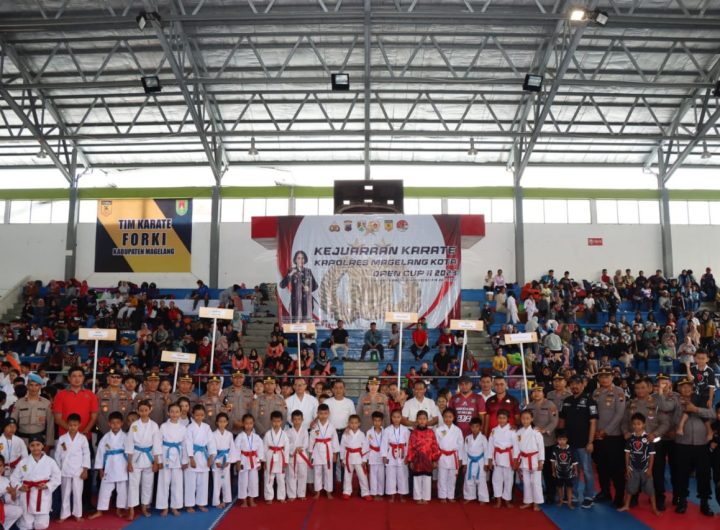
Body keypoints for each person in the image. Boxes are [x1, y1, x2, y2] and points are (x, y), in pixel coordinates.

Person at [674, 377, 715, 516]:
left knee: (704, 475)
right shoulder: (675, 401)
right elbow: (673, 421)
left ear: (692, 388)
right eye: (683, 386)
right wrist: (683, 408)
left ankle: (704, 503)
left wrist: (695, 409)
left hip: (701, 444)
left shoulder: (702, 400)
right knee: (681, 474)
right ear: (679, 389)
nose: (686, 389)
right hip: (682, 444)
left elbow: (712, 414)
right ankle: (682, 501)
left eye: (688, 386)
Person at [558, 375, 598, 509]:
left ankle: (589, 496)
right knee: (572, 470)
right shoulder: (566, 401)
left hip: (584, 443)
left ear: (583, 385)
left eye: (577, 384)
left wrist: (590, 442)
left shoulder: (590, 401)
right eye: (572, 384)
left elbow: (593, 423)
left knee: (587, 471)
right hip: (569, 443)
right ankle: (573, 495)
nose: (574, 386)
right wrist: (561, 440)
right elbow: (562, 421)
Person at [591, 366, 627, 507]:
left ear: (612, 377)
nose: (604, 379)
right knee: (601, 467)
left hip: (613, 436)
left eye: (607, 376)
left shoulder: (619, 392)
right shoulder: (596, 392)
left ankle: (619, 496)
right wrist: (594, 431)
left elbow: (619, 414)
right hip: (598, 436)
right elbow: (593, 413)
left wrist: (606, 430)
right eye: (601, 376)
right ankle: (605, 492)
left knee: (616, 468)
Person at [10, 435, 61, 530]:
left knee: (41, 525)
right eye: (32, 445)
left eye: (38, 444)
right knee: (26, 525)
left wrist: (47, 485)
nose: (35, 447)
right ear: (29, 447)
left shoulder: (50, 461)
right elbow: (14, 478)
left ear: (42, 446)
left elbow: (57, 478)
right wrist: (20, 487)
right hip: (27, 494)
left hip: (42, 495)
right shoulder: (23, 462)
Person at [617, 412, 659, 515]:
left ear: (644, 424)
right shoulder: (631, 438)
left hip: (645, 469)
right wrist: (627, 468)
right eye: (634, 424)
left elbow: (652, 455)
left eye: (639, 424)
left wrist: (650, 469)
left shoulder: (648, 438)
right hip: (633, 468)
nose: (636, 426)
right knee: (630, 488)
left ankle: (654, 508)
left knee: (650, 489)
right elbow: (627, 454)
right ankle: (626, 505)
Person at [125, 400, 161, 520]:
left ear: (150, 410)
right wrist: (129, 462)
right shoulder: (134, 425)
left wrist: (156, 462)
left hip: (149, 458)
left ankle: (144, 507)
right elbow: (130, 444)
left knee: (148, 484)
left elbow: (156, 445)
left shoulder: (154, 425)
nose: (144, 412)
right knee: (133, 484)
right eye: (141, 410)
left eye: (146, 410)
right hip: (136, 457)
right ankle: (131, 509)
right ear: (138, 411)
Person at [89, 411, 128, 519]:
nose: (115, 425)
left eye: (118, 423)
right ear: (109, 424)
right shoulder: (105, 438)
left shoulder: (125, 436)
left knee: (122, 489)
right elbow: (100, 454)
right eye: (113, 423)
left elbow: (129, 452)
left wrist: (129, 465)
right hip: (109, 466)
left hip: (122, 465)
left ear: (122, 423)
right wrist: (100, 469)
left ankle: (119, 509)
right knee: (104, 489)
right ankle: (100, 510)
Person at [524, 384, 558, 503]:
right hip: (533, 444)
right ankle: (539, 491)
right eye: (534, 391)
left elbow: (554, 421)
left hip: (547, 442)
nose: (536, 393)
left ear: (543, 393)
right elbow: (526, 421)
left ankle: (551, 493)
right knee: (536, 469)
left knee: (548, 469)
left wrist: (545, 430)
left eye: (539, 391)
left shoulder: (550, 405)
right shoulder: (529, 406)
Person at [55, 413, 91, 522]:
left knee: (77, 493)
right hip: (65, 469)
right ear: (67, 424)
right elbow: (57, 454)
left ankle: (77, 514)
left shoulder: (82, 438)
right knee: (65, 493)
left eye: (75, 425)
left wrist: (85, 470)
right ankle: (64, 515)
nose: (72, 427)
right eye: (70, 425)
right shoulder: (62, 438)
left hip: (78, 470)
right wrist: (58, 469)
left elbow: (86, 454)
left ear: (79, 425)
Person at [184, 404, 216, 512]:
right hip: (193, 455)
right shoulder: (189, 427)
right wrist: (191, 458)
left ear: (204, 415)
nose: (199, 417)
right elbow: (188, 443)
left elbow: (211, 442)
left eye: (201, 415)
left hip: (204, 456)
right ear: (193, 415)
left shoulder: (206, 427)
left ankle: (201, 503)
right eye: (197, 415)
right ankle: (189, 504)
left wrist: (211, 456)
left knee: (203, 483)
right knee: (191, 483)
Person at [157, 402, 186, 517]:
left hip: (178, 456)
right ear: (168, 413)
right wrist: (159, 460)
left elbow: (185, 445)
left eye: (177, 412)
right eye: (172, 412)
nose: (174, 414)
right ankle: (164, 507)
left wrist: (184, 460)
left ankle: (175, 506)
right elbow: (158, 443)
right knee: (164, 482)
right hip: (166, 455)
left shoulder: (183, 427)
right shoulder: (163, 426)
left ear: (180, 413)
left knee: (177, 483)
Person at [11, 373, 54, 448]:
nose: (33, 388)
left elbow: (50, 425)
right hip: (22, 441)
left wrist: (48, 444)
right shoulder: (19, 403)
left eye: (36, 385)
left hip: (39, 441)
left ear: (40, 386)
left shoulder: (46, 403)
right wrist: (11, 440)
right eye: (31, 385)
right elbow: (12, 422)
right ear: (27, 386)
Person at [406, 410, 439, 504]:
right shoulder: (413, 433)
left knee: (427, 479)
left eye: (424, 419)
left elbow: (434, 446)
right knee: (417, 479)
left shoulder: (431, 432)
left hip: (428, 459)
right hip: (417, 460)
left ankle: (426, 497)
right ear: (417, 420)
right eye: (420, 419)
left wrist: (434, 459)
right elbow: (410, 447)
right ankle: (418, 497)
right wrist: (410, 460)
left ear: (427, 420)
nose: (422, 421)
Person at [515, 409, 545, 511]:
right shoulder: (519, 432)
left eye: (527, 418)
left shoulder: (536, 432)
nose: (525, 420)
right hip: (524, 459)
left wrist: (541, 461)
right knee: (526, 482)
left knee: (536, 482)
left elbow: (541, 447)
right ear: (520, 419)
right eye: (523, 418)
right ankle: (528, 501)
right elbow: (517, 448)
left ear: (532, 419)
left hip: (534, 460)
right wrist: (517, 460)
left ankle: (536, 503)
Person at [487, 409, 516, 508]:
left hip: (509, 458)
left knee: (509, 480)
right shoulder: (494, 430)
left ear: (508, 419)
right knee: (496, 480)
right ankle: (498, 500)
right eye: (500, 418)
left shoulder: (512, 431)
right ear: (497, 418)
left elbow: (516, 446)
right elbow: (490, 446)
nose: (502, 420)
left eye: (504, 418)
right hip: (497, 458)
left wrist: (515, 460)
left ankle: (507, 500)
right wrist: (490, 460)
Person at [309, 403, 339, 499]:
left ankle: (328, 491)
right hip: (317, 450)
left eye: (325, 413)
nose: (323, 415)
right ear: (317, 413)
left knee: (328, 472)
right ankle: (317, 491)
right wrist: (310, 452)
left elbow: (335, 440)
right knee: (317, 471)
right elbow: (311, 440)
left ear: (328, 413)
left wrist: (335, 453)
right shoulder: (314, 426)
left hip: (328, 449)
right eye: (321, 413)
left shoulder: (331, 426)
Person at [235, 413, 264, 508]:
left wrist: (259, 461)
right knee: (243, 481)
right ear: (243, 424)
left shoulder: (256, 437)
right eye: (246, 423)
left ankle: (251, 499)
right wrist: (238, 462)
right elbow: (236, 450)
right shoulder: (240, 436)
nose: (248, 425)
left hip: (254, 460)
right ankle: (244, 500)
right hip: (243, 460)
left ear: (253, 423)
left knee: (253, 481)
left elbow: (260, 449)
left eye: (250, 423)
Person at [279, 250, 317, 321]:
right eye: (299, 258)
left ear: (305, 260)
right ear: (295, 260)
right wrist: (290, 275)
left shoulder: (308, 271)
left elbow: (315, 286)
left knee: (306, 321)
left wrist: (309, 288)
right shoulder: (291, 271)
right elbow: (282, 285)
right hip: (295, 301)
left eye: (302, 258)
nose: (301, 260)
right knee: (295, 321)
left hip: (306, 301)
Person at [435, 408, 463, 502]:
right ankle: (442, 496)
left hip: (453, 456)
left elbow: (461, 445)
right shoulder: (438, 430)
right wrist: (436, 457)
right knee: (442, 477)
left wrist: (460, 458)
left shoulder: (457, 430)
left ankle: (450, 496)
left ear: (453, 418)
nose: (447, 419)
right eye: (446, 417)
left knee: (452, 477)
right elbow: (436, 445)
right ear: (443, 418)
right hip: (442, 455)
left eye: (450, 417)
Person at [340, 414, 371, 500]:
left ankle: (365, 492)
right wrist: (342, 459)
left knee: (362, 476)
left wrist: (364, 459)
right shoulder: (345, 434)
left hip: (359, 457)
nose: (354, 425)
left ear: (359, 424)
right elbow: (342, 447)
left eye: (356, 423)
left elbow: (365, 447)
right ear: (349, 423)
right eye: (352, 423)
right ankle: (347, 491)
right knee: (347, 475)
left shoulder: (362, 434)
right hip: (348, 457)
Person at [382, 408, 410, 502]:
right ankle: (392, 494)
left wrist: (407, 456)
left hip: (402, 453)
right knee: (390, 475)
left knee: (402, 474)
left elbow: (408, 444)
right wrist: (384, 456)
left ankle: (402, 494)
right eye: (394, 417)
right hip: (391, 453)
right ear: (391, 417)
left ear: (401, 418)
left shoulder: (406, 430)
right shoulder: (387, 430)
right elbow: (384, 443)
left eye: (398, 417)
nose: (396, 419)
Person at [263, 410, 289, 504]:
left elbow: (287, 448)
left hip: (280, 457)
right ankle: (269, 497)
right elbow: (264, 448)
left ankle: (281, 497)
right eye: (274, 421)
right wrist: (264, 461)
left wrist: (286, 461)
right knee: (269, 477)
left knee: (281, 478)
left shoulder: (284, 434)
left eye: (278, 421)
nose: (276, 423)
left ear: (281, 422)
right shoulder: (267, 434)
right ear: (271, 421)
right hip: (270, 456)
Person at [462, 417, 488, 504]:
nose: (475, 429)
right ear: (470, 427)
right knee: (468, 479)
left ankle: (482, 498)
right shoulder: (467, 438)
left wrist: (486, 463)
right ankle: (469, 496)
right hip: (470, 461)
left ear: (480, 427)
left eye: (477, 426)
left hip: (480, 461)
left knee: (481, 480)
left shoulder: (483, 438)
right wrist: (465, 464)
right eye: (473, 427)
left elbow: (486, 451)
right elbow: (465, 451)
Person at [212, 412, 236, 508]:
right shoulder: (213, 434)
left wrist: (228, 460)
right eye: (220, 421)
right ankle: (217, 501)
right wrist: (216, 461)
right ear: (216, 422)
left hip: (226, 459)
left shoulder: (229, 434)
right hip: (217, 459)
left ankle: (226, 499)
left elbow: (232, 448)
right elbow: (212, 449)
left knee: (226, 481)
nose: (222, 423)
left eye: (224, 421)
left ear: (227, 422)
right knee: (217, 481)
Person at [285, 410, 310, 501]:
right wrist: (294, 449)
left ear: (302, 419)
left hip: (302, 456)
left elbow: (306, 443)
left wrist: (300, 448)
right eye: (295, 419)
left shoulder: (305, 431)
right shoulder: (287, 432)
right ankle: (291, 495)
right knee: (291, 475)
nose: (297, 421)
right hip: (292, 456)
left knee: (302, 475)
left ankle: (301, 494)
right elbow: (287, 444)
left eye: (299, 419)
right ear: (291, 420)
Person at [551, 429, 578, 509]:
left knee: (569, 487)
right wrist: (553, 471)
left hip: (569, 473)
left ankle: (569, 502)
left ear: (567, 440)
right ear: (557, 440)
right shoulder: (555, 449)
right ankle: (561, 500)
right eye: (560, 439)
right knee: (559, 487)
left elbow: (574, 461)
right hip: (559, 472)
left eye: (564, 439)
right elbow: (553, 461)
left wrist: (575, 470)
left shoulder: (571, 449)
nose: (562, 441)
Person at [221, 371, 254, 436]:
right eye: (236, 377)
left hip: (246, 428)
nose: (238, 380)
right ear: (231, 379)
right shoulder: (225, 392)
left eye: (240, 377)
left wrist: (246, 422)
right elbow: (223, 409)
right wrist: (233, 421)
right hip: (230, 428)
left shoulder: (249, 392)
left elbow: (252, 409)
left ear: (244, 379)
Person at [366, 411, 385, 500]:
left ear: (382, 421)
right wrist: (366, 459)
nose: (377, 422)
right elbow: (366, 446)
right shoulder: (369, 432)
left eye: (379, 421)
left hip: (382, 455)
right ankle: (373, 492)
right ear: (372, 421)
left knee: (381, 475)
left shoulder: (385, 432)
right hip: (372, 455)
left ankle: (380, 492)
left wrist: (386, 456)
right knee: (373, 475)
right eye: (375, 420)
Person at [0, 455, 23, 530]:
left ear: (3, 467)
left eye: (0, 465)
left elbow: (8, 501)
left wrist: (13, 494)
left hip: (0, 507)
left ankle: (3, 527)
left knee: (18, 511)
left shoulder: (6, 481)